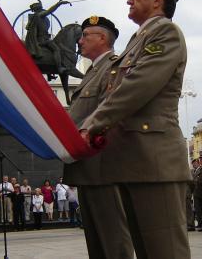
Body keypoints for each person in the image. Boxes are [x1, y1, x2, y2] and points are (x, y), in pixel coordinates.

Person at [80, 0, 191, 258]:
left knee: (164, 252)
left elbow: (137, 86)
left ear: (157, 0)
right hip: (135, 159)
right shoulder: (138, 40)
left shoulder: (166, 32)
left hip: (155, 160)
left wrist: (93, 124)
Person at [63, 15, 134, 259]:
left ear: (102, 38)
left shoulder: (114, 68)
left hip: (104, 166)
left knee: (113, 239)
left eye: (85, 36)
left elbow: (112, 110)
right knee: (96, 241)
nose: (80, 41)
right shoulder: (93, 72)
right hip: (89, 166)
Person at [25, 0, 70, 74]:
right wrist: (59, 4)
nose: (43, 9)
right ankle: (59, 68)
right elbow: (49, 11)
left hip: (40, 39)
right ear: (39, 9)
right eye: (41, 8)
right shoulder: (39, 15)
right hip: (43, 40)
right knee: (56, 49)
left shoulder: (35, 17)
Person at [187, 159, 198, 231]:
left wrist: (190, 191)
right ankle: (187, 224)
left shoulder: (189, 171)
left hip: (186, 192)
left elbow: (192, 183)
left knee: (188, 209)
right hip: (183, 192)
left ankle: (191, 225)